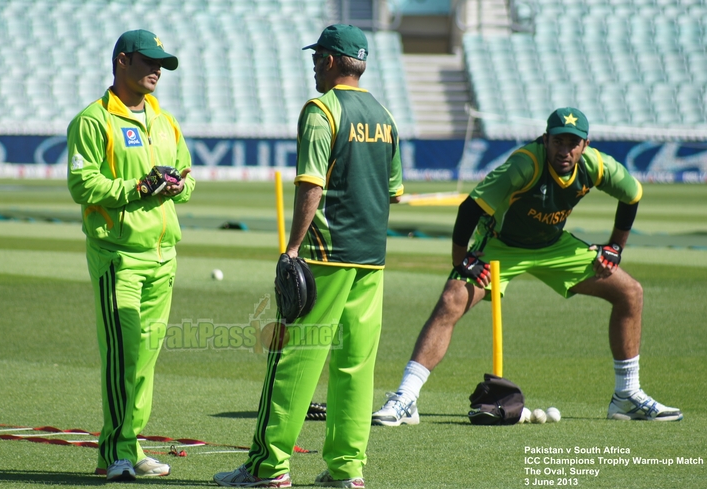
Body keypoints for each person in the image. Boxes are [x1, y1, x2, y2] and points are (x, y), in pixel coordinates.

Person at [372, 107, 683, 427]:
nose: (565, 150)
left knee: (630, 292)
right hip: (500, 245)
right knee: (451, 301)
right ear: (545, 140)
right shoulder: (524, 164)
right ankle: (405, 399)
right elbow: (470, 207)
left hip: (553, 246)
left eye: (573, 143)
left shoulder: (596, 165)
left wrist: (615, 247)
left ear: (585, 145)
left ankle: (627, 396)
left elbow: (633, 194)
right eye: (558, 142)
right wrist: (461, 259)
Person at [213, 24, 404, 488]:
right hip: (371, 260)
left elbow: (312, 185)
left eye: (318, 57)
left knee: (292, 362)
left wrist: (292, 249)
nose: (314, 65)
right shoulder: (384, 116)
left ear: (334, 61)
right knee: (355, 368)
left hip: (323, 256)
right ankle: (346, 472)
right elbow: (394, 193)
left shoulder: (322, 110)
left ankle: (268, 469)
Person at [67, 29, 195, 481]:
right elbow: (82, 186)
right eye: (148, 61)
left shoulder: (164, 120)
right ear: (122, 61)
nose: (157, 70)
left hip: (163, 258)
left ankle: (124, 449)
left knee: (143, 360)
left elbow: (188, 176)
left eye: (162, 63)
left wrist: (178, 185)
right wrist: (137, 187)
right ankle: (119, 452)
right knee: (122, 356)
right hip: (118, 257)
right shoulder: (93, 121)